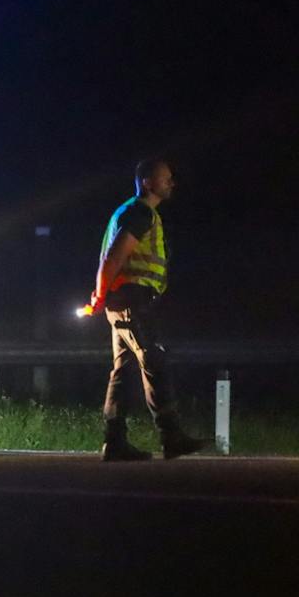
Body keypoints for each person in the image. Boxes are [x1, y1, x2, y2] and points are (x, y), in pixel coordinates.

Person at [88, 159, 211, 461]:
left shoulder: (129, 211)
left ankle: (114, 440)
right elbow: (114, 257)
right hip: (132, 298)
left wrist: (103, 297)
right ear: (147, 182)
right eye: (165, 178)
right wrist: (99, 296)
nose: (172, 183)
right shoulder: (141, 212)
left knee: (124, 368)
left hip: (123, 300)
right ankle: (171, 436)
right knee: (154, 360)